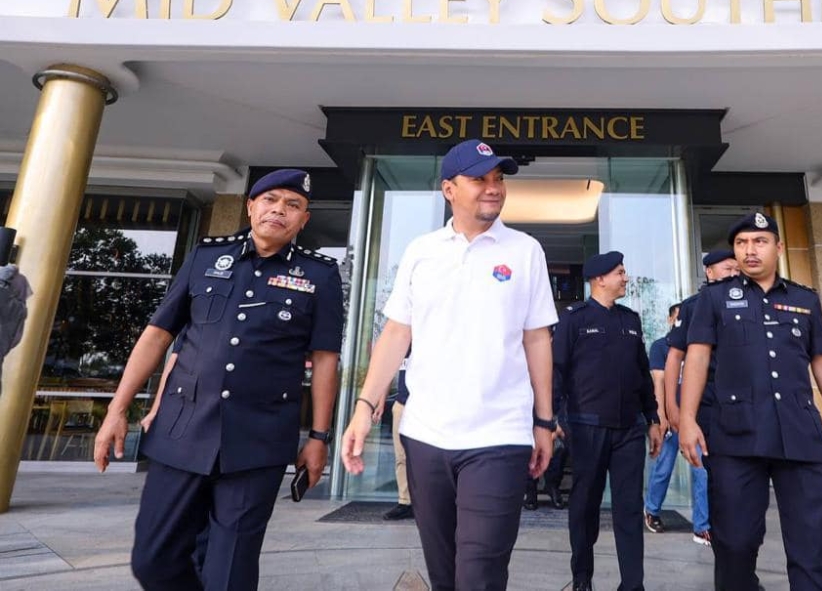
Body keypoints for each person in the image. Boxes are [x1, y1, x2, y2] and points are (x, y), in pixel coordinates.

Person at [94, 168, 344, 591]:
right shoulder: (207, 257)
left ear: (303, 221)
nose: (279, 210)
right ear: (250, 207)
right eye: (270, 200)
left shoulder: (319, 275)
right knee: (153, 559)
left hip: (259, 437)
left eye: (293, 205)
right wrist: (117, 410)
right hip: (182, 429)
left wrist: (319, 436)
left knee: (230, 570)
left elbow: (325, 360)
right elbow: (158, 336)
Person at [340, 139, 558, 591]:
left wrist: (543, 420)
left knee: (479, 572)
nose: (493, 188)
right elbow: (397, 334)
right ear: (448, 189)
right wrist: (364, 407)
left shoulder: (525, 251)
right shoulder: (422, 251)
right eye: (480, 179)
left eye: (498, 179)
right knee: (445, 573)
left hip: (499, 436)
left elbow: (537, 339)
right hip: (425, 435)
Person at [678, 212, 822, 591]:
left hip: (800, 436)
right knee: (734, 543)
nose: (750, 250)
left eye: (759, 241)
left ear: (778, 248)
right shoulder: (713, 300)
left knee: (811, 548)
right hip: (735, 438)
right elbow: (696, 357)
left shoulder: (804, 300)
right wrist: (687, 419)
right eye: (742, 243)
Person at [553, 251, 662, 591]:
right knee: (585, 505)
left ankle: (633, 584)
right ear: (600, 279)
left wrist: (653, 417)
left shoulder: (631, 320)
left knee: (629, 508)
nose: (626, 278)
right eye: (620, 273)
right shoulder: (573, 318)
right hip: (586, 427)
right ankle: (582, 578)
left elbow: (642, 375)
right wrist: (551, 417)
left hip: (629, 428)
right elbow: (556, 370)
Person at [650, 250, 740, 546]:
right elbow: (666, 370)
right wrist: (670, 412)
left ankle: (705, 524)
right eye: (727, 268)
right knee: (668, 466)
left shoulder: (745, 302)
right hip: (687, 410)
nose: (733, 274)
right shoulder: (692, 308)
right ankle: (653, 510)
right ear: (709, 273)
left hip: (724, 406)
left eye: (736, 269)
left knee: (709, 470)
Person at [641, 303, 680, 533]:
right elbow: (658, 382)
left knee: (702, 471)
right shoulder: (660, 347)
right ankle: (652, 510)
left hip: (691, 419)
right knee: (663, 467)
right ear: (669, 320)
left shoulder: (694, 346)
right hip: (669, 419)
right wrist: (660, 416)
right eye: (677, 318)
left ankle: (704, 524)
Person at [383, 351, 414, 521]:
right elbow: (387, 369)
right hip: (402, 405)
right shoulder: (403, 342)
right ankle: (405, 502)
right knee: (401, 456)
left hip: (426, 405)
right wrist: (380, 401)